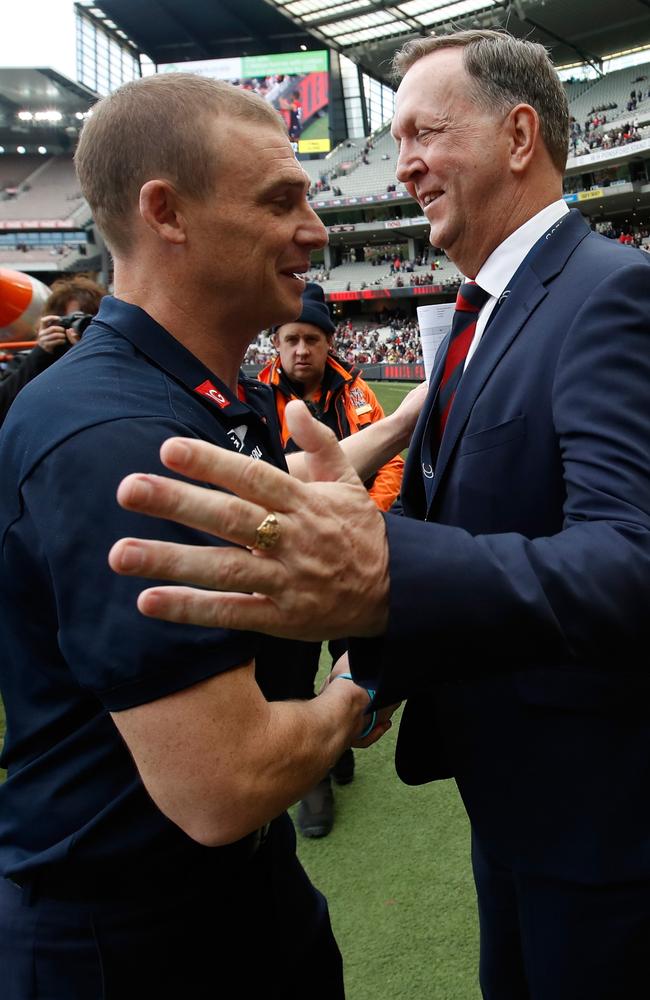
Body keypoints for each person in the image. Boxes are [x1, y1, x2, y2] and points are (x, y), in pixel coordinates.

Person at [109, 30, 650, 1000]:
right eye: (393, 137)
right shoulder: (481, 307)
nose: (398, 163)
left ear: (518, 134)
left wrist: (388, 576)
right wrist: (384, 661)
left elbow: (630, 560)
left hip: (599, 815)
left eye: (422, 132)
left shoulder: (610, 296)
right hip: (515, 796)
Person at [0, 73, 422, 999]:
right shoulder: (114, 435)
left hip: (234, 896)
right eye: (282, 199)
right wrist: (362, 681)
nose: (316, 229)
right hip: (133, 939)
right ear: (167, 213)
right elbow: (223, 786)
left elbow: (271, 506)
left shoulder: (197, 390)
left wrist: (404, 421)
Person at [258, 282, 403, 837]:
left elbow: (389, 462)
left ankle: (336, 740)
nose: (300, 350)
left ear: (328, 343)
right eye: (291, 338)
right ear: (276, 343)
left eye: (311, 339)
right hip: (286, 553)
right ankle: (311, 778)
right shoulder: (249, 395)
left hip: (350, 549)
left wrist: (361, 519)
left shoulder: (357, 392)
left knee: (353, 657)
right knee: (288, 670)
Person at [0, 275, 105, 425]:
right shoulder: (29, 361)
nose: (76, 328)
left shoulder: (109, 358)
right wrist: (40, 353)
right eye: (69, 320)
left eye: (85, 321)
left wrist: (87, 352)